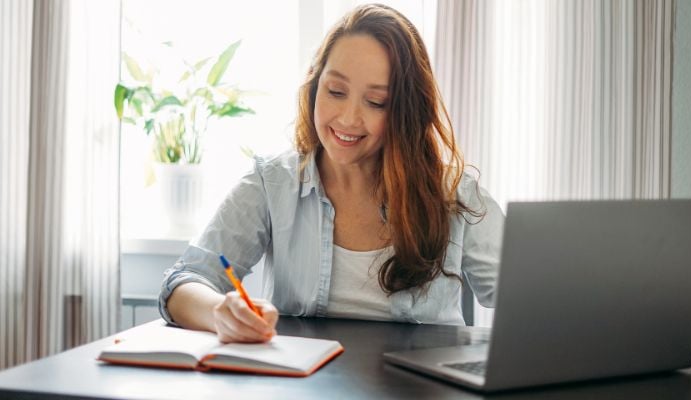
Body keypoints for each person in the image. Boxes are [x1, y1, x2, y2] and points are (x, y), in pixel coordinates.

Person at [158, 3, 504, 343]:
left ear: (405, 111)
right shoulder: (272, 182)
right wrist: (220, 311)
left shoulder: (454, 193)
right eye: (335, 92)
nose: (349, 119)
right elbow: (184, 281)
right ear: (314, 85)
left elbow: (530, 298)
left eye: (376, 102)